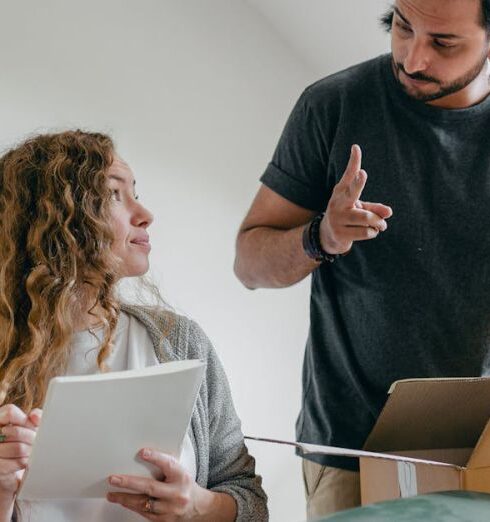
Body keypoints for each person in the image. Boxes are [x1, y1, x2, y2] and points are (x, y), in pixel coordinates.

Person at [234, 0, 490, 518]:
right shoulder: (334, 104)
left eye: (443, 43)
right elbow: (249, 263)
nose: (412, 58)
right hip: (351, 448)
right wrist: (320, 236)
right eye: (401, 26)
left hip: (484, 443)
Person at [0, 130, 268, 522]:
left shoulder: (178, 342)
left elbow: (251, 502)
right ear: (54, 218)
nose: (145, 214)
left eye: (135, 193)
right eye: (113, 195)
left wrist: (198, 506)